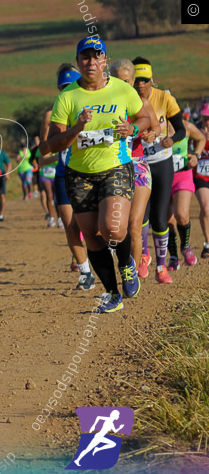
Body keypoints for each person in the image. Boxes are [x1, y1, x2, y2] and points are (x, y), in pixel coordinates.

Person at [46, 37, 150, 313]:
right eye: (85, 57)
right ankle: (112, 293)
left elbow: (146, 118)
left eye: (97, 57)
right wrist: (76, 127)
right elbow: (53, 143)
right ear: (78, 61)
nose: (91, 62)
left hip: (115, 167)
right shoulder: (67, 97)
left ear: (105, 60)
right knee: (91, 236)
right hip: (79, 175)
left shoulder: (122, 90)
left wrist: (134, 129)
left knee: (113, 229)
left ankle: (127, 263)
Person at [39, 64, 94, 289]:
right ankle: (85, 272)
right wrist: (60, 147)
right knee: (69, 223)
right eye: (62, 86)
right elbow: (44, 150)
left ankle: (100, 257)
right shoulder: (52, 115)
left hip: (90, 170)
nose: (66, 90)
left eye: (70, 85)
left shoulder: (92, 107)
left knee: (93, 225)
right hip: (63, 172)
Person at [131, 58, 186, 284]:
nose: (141, 84)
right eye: (137, 80)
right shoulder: (127, 99)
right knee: (142, 215)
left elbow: (182, 130)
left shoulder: (164, 97)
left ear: (151, 79)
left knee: (160, 217)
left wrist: (171, 140)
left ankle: (161, 267)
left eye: (145, 80)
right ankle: (144, 256)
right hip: (138, 163)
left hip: (162, 161)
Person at [107, 59, 159, 280]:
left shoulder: (140, 103)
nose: (124, 85)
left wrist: (151, 133)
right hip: (110, 167)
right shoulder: (104, 105)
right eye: (118, 80)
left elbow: (155, 125)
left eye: (127, 81)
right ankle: (120, 264)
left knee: (134, 225)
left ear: (133, 81)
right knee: (112, 228)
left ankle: (132, 276)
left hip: (137, 166)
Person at [166, 118, 206, 268]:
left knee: (181, 214)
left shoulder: (186, 126)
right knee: (168, 221)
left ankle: (186, 246)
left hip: (182, 174)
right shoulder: (156, 127)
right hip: (163, 177)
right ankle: (173, 257)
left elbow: (201, 138)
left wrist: (196, 155)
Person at [194, 103, 209, 259]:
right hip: (201, 176)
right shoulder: (195, 132)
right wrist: (201, 139)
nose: (207, 121)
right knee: (206, 208)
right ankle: (207, 242)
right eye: (205, 118)